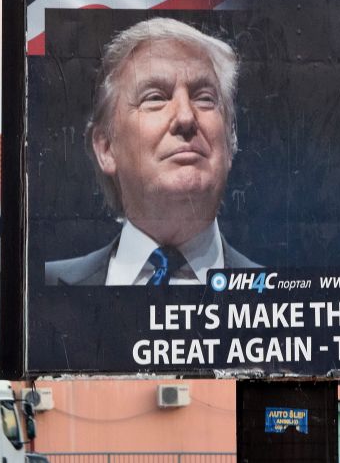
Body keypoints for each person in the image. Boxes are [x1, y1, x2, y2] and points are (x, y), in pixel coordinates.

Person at [45, 17, 257, 286]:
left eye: (204, 97)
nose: (185, 117)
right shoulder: (49, 286)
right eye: (155, 98)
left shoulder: (283, 299)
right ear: (107, 148)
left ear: (230, 142)